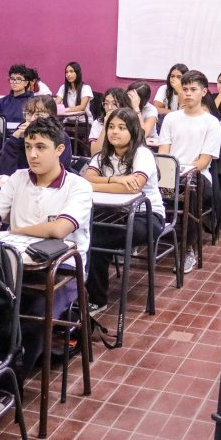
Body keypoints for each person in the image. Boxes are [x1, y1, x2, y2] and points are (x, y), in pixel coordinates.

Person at [0, 116, 92, 375]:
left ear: (59, 149)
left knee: (34, 315)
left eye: (40, 147)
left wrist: (13, 230)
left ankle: (11, 380)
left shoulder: (78, 186)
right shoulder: (18, 179)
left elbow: (59, 229)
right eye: (28, 147)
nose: (32, 154)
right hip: (17, 265)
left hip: (62, 272)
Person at [84, 108, 165, 314]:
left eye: (121, 128)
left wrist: (99, 183)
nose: (114, 132)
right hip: (113, 213)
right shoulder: (102, 155)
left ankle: (96, 299)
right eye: (111, 127)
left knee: (95, 239)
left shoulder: (142, 154)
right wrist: (117, 180)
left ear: (133, 130)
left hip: (146, 217)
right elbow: (86, 180)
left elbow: (133, 187)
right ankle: (84, 293)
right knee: (86, 233)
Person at [158, 70, 221, 274]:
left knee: (191, 191)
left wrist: (181, 172)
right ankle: (144, 239)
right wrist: (169, 172)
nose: (187, 93)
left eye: (193, 89)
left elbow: (203, 161)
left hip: (199, 176)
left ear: (203, 92)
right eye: (184, 89)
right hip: (171, 174)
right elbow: (163, 152)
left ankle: (188, 250)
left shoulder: (211, 123)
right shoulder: (171, 118)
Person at [0, 95, 72, 175]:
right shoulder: (20, 134)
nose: (32, 119)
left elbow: (57, 172)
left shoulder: (61, 136)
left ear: (51, 116)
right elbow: (3, 172)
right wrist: (14, 137)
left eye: (38, 115)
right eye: (29, 114)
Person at [89, 88, 130, 155]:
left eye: (114, 104)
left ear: (123, 105)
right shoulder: (98, 123)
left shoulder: (130, 122)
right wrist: (105, 125)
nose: (109, 107)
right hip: (102, 159)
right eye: (106, 103)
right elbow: (94, 153)